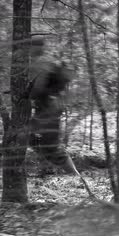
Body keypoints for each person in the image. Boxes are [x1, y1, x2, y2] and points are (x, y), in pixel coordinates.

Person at [27, 37, 80, 175]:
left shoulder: (42, 62)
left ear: (36, 47)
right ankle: (46, 168)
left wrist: (24, 94)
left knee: (51, 146)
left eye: (30, 46)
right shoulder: (44, 61)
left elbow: (38, 89)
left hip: (49, 109)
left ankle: (76, 176)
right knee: (31, 138)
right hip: (47, 108)